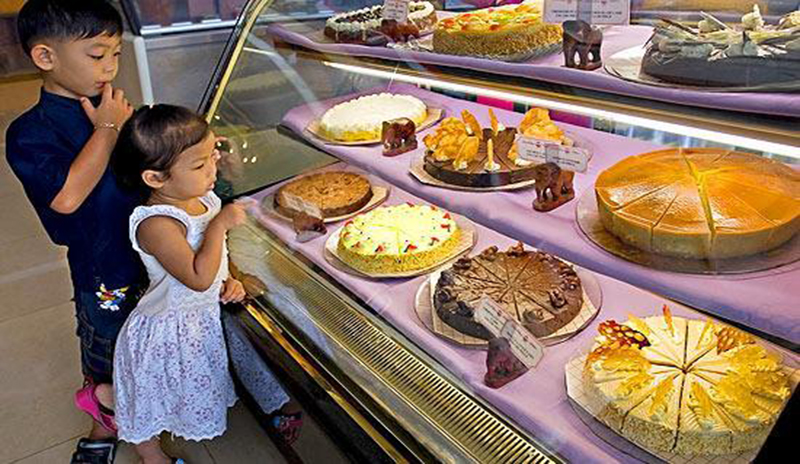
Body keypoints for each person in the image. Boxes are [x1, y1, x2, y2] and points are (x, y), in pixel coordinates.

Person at [112, 104, 302, 463]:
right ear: (155, 178)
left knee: (182, 391)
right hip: (166, 330)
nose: (213, 168)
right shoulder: (157, 224)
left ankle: (108, 398)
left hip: (198, 322)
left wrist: (230, 279)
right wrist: (219, 225)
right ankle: (150, 454)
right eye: (199, 165)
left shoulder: (202, 198)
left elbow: (215, 263)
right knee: (153, 397)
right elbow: (198, 277)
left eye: (212, 154)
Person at [5, 2, 143, 462]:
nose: (110, 67)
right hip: (101, 265)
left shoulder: (114, 110)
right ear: (46, 57)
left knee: (144, 341)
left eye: (116, 54)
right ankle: (101, 422)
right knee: (106, 348)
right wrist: (107, 129)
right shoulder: (30, 132)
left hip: (148, 251)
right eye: (97, 54)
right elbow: (66, 197)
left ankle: (148, 412)